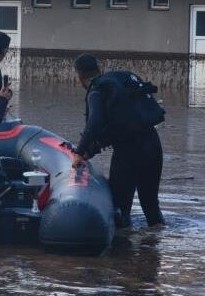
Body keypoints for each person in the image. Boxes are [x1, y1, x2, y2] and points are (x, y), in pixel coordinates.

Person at [70, 53, 165, 228]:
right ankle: (154, 251)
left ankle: (122, 253)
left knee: (121, 208)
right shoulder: (120, 81)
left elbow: (96, 122)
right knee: (150, 205)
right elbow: (116, 128)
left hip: (129, 153)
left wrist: (79, 152)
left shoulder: (97, 90)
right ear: (99, 69)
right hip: (153, 146)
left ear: (79, 77)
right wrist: (89, 152)